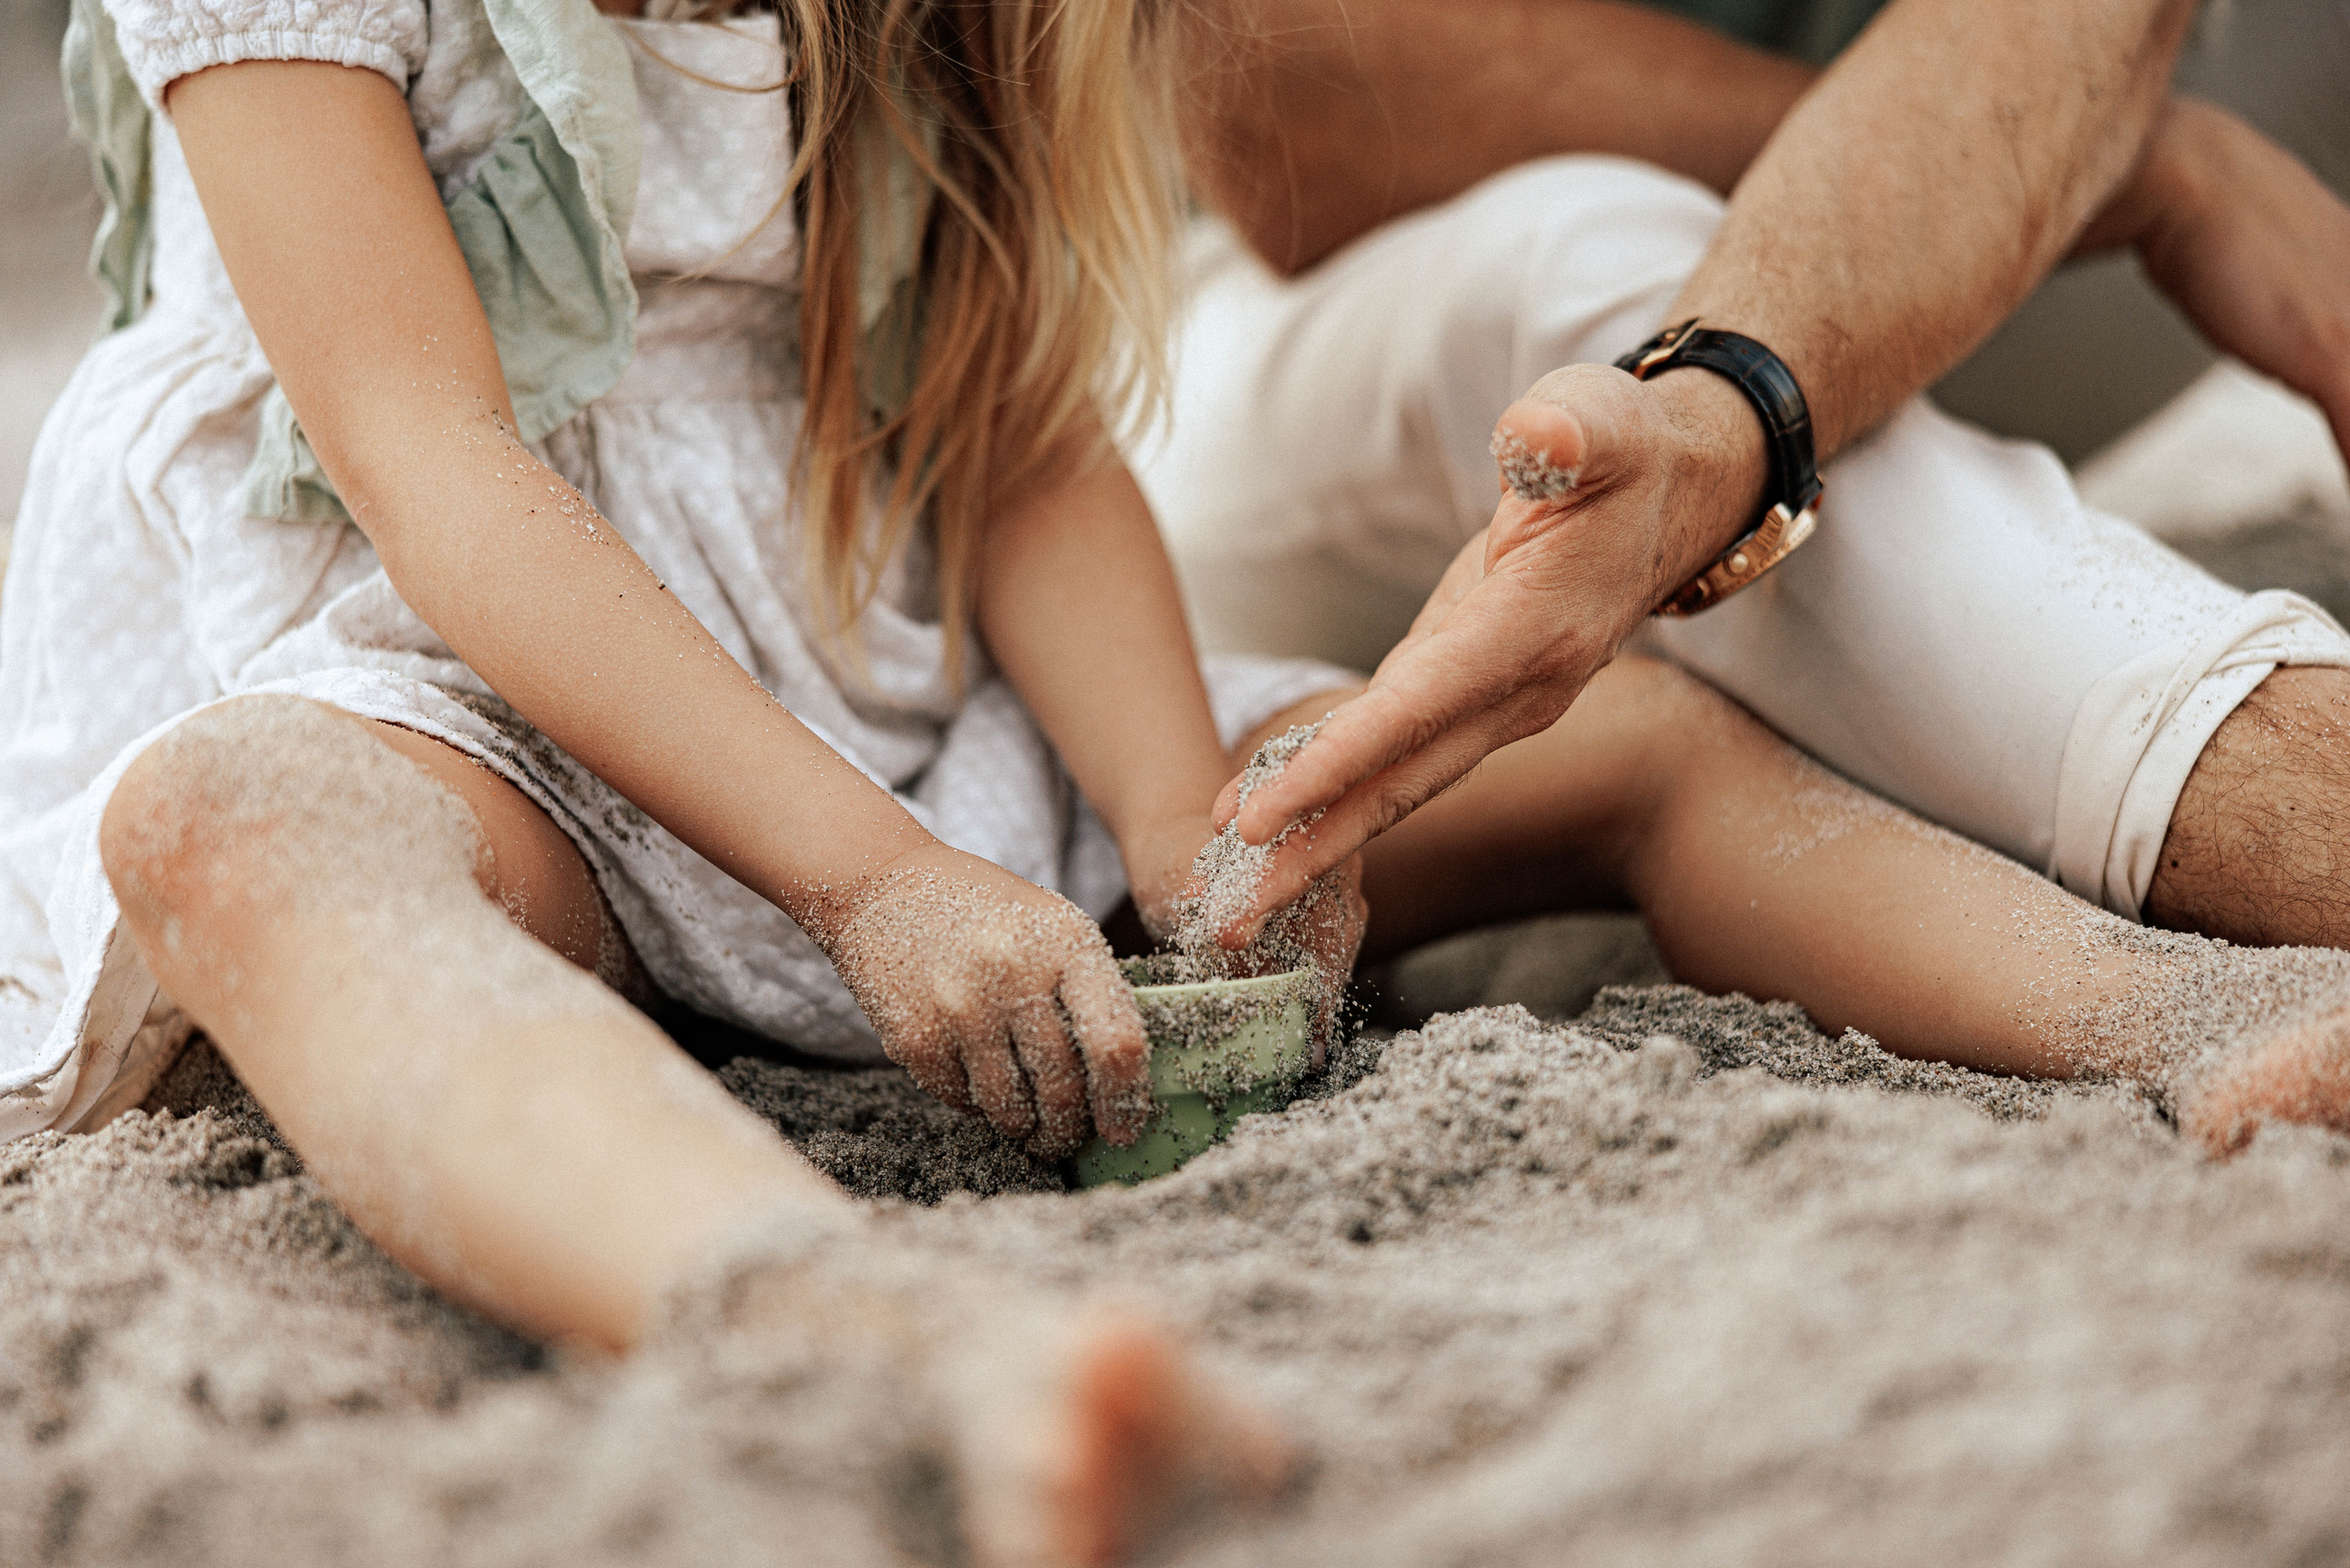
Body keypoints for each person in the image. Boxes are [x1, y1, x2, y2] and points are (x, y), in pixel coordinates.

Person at [6, 0, 2349, 1560]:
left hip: (877, 626)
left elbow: (1012, 430)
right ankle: (826, 1300)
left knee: (1609, 734)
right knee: (246, 830)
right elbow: (427, 456)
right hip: (478, 644)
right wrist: (876, 879)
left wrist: (1171, 828)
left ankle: (2165, 1009)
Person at [1151, 0, 2350, 971]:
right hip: (1302, 350)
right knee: (1590, 265)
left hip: (2042, 220)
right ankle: (2270, 780)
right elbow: (1299, 109)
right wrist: (1722, 406)